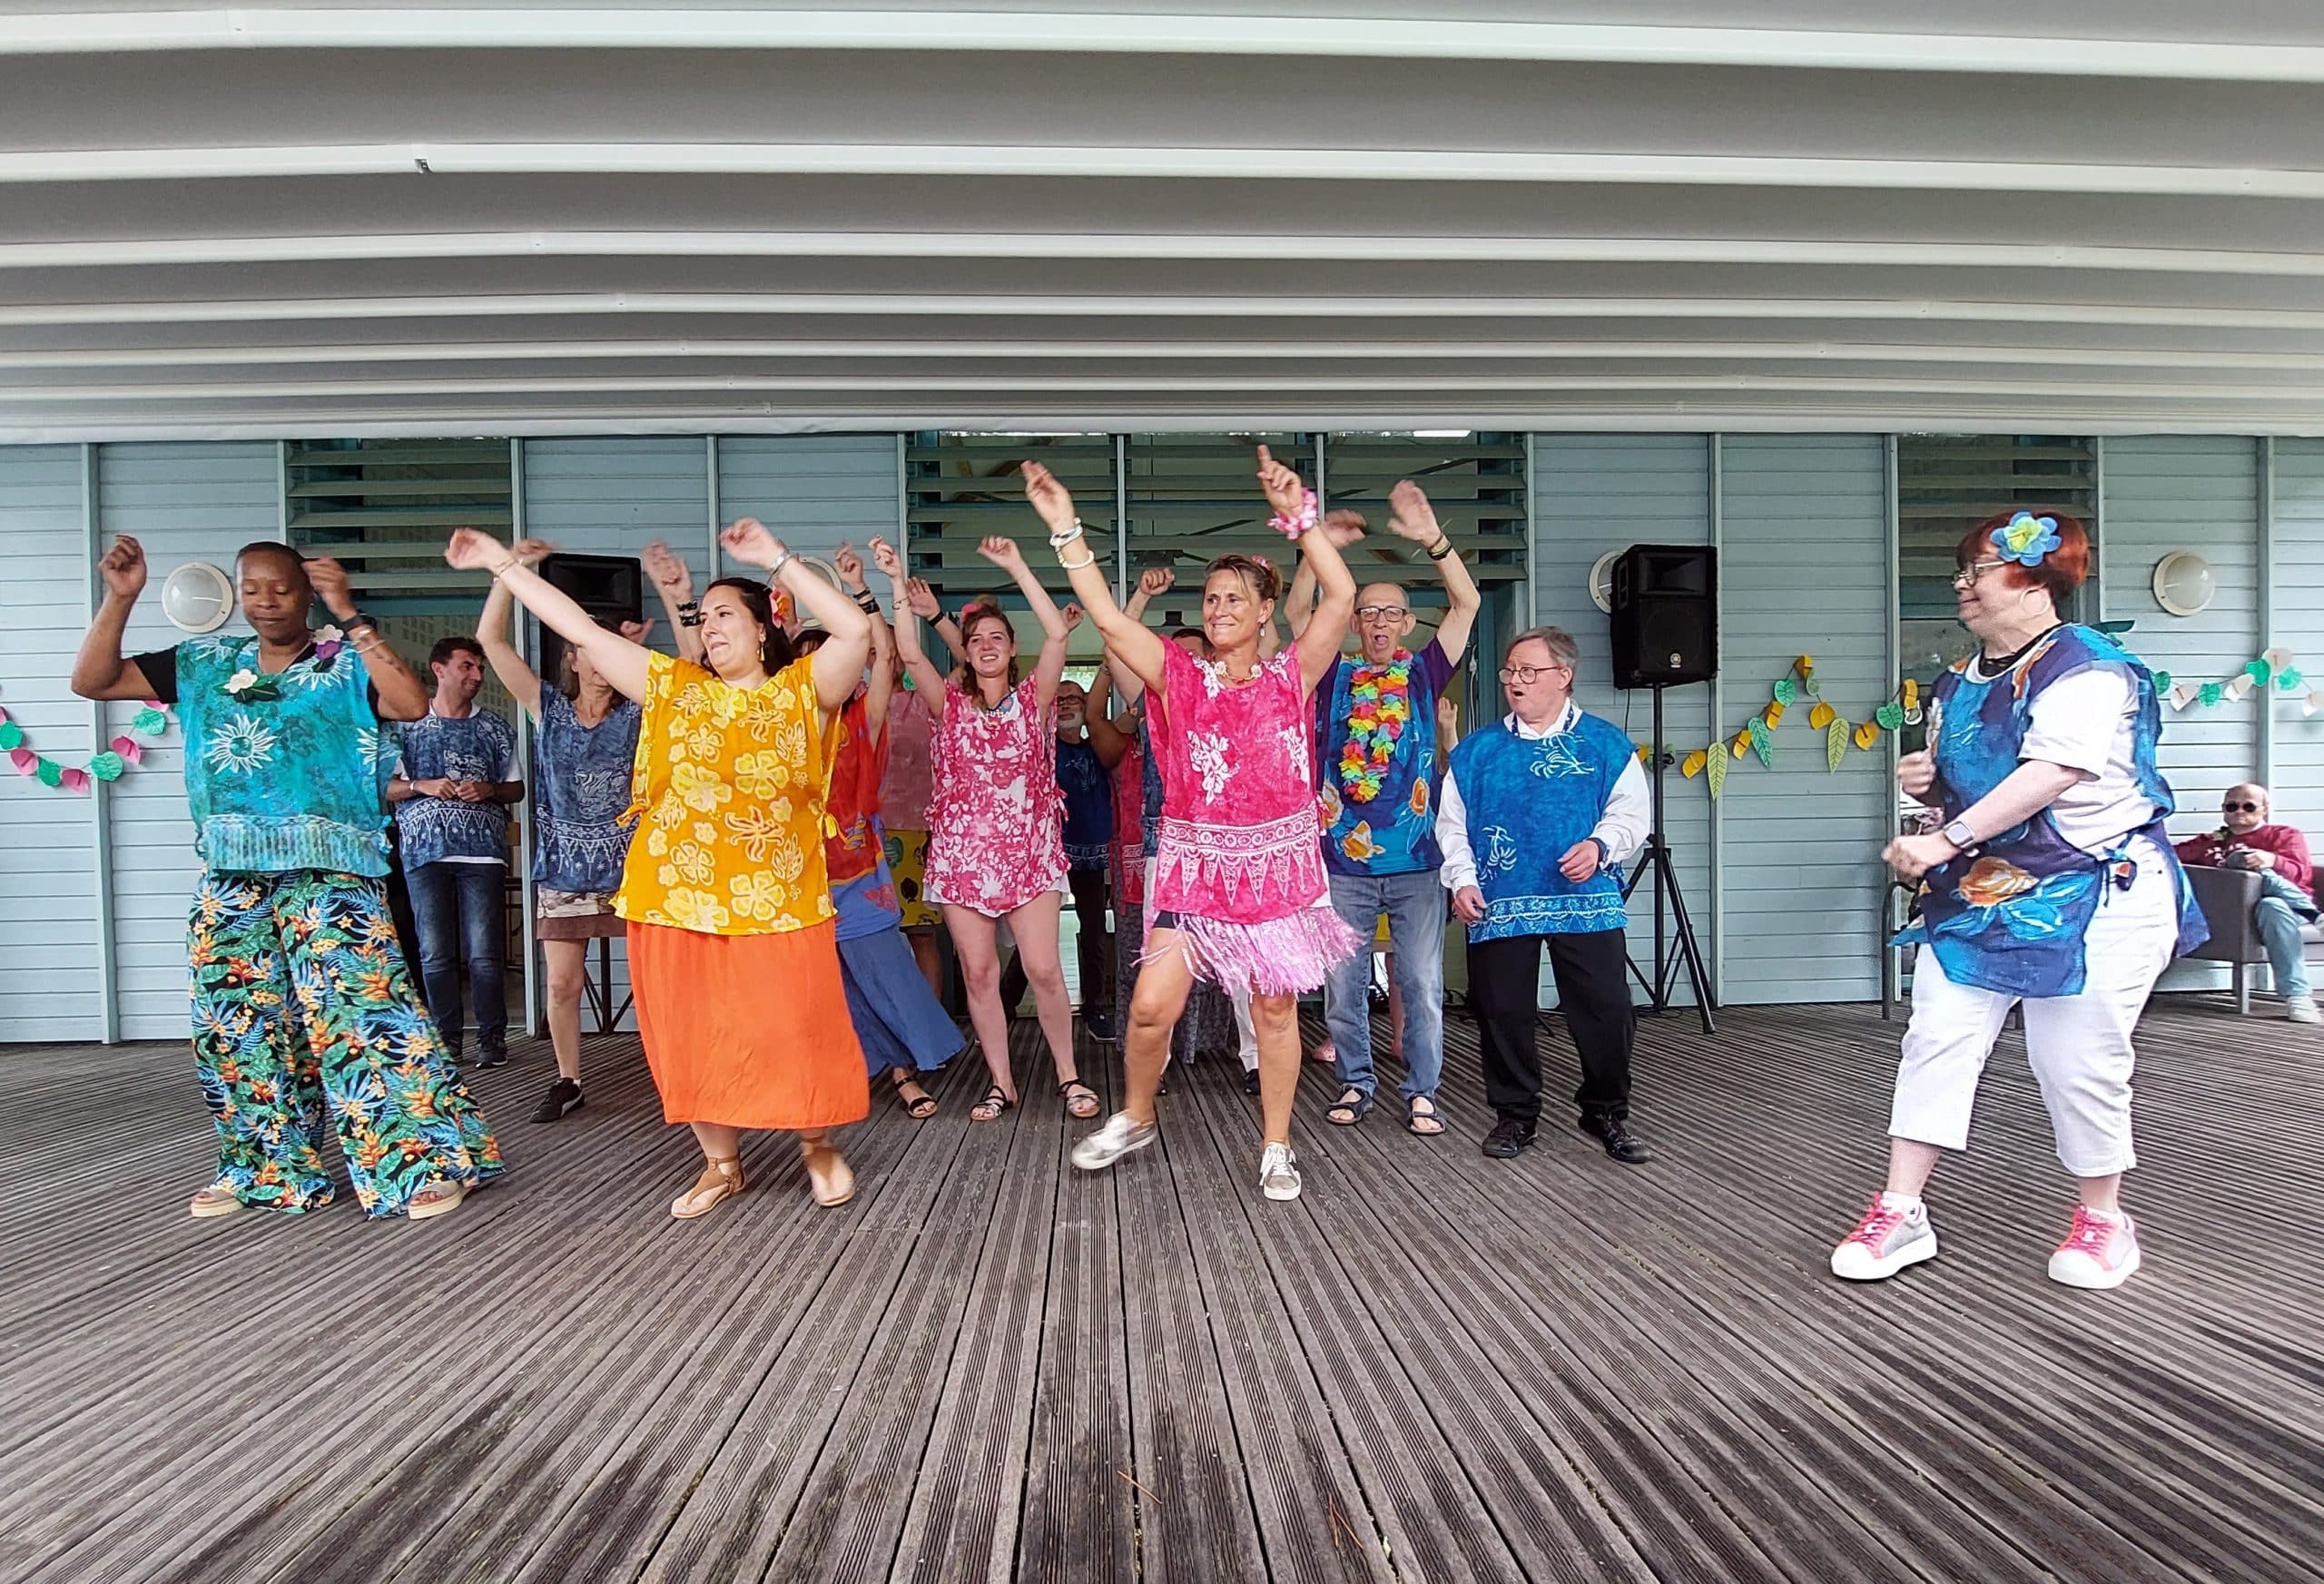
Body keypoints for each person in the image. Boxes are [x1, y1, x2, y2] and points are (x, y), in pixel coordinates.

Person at [447, 518, 875, 1217]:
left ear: (764, 627)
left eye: (725, 614)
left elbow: (854, 632)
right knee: (692, 1030)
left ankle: (817, 1143)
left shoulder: (803, 691)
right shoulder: (677, 688)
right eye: (703, 619)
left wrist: (775, 558)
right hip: (676, 896)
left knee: (794, 1024)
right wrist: (504, 567)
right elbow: (583, 632)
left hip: (782, 898)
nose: (710, 628)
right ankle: (721, 1161)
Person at [71, 536, 498, 1219]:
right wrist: (121, 597)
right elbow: (92, 680)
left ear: (305, 592)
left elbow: (410, 702)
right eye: (252, 588)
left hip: (332, 869)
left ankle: (424, 1164)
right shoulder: (206, 662)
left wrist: (348, 612)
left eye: (282, 588)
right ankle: (262, 1167)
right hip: (232, 870)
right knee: (235, 1024)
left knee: (363, 1015)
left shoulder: (339, 661)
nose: (266, 600)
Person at [1835, 509, 2207, 1291]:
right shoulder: (1955, 683)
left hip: (2099, 888)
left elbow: (2054, 772)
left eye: (1981, 568)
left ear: (2038, 579)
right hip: (1988, 891)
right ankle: (1902, 1209)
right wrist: (1929, 795)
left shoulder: (2089, 667)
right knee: (1937, 1034)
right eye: (1963, 569)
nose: (1963, 583)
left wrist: (1944, 836)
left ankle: (2105, 1219)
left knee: (2074, 1058)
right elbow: (1967, 794)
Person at [1042, 446, 1363, 1203]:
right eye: (1210, 598)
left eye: (1231, 598)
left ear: (1261, 610)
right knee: (1150, 1006)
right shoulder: (1176, 677)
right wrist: (1066, 532)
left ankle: (1277, 1144)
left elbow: (1341, 596)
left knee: (1274, 1007)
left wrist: (1301, 516)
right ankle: (1137, 1115)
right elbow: (1110, 620)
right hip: (1193, 867)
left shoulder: (1294, 676)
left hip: (1277, 869)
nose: (1217, 608)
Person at [885, 535, 1100, 1125]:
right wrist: (897, 580)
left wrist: (1015, 563)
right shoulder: (948, 705)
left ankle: (1068, 1073)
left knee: (1042, 967)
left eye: (996, 639)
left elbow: (1058, 633)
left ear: (1010, 652)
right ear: (966, 652)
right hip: (960, 856)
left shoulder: (1034, 700)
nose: (984, 645)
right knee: (978, 972)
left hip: (1028, 853)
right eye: (975, 639)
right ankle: (1001, 1082)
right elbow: (907, 653)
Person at [1293, 480, 1481, 1137]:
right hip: (1340, 859)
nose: (1377, 622)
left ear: (1405, 623)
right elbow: (1294, 618)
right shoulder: (1330, 676)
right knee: (1342, 987)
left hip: (1417, 862)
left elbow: (1469, 601)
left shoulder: (1424, 673)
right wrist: (1310, 548)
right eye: (1366, 612)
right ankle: (1354, 1081)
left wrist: (1434, 537)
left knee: (1423, 984)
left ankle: (1422, 1089)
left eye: (1389, 613)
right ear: (1352, 622)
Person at [1438, 627, 1653, 1165]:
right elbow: (1452, 824)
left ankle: (1605, 1110)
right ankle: (1515, 1115)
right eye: (1510, 671)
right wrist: (1461, 879)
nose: (1516, 681)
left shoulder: (1605, 743)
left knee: (1606, 1009)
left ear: (1564, 677)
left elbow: (1631, 814)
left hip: (1586, 897)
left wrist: (1602, 845)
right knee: (1503, 1010)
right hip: (1501, 899)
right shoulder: (1477, 752)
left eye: (1528, 671)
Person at [475, 547, 649, 1123]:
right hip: (563, 871)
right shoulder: (546, 707)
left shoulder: (641, 714)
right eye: (589, 651)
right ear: (573, 659)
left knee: (658, 984)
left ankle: (674, 1071)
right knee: (562, 985)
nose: (600, 661)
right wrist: (507, 573)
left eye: (611, 651)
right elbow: (492, 642)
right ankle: (568, 1078)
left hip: (635, 870)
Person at [802, 540, 964, 1117]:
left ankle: (904, 1073)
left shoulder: (865, 716)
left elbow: (889, 660)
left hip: (860, 869)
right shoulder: (782, 724)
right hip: (799, 878)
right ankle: (847, 1073)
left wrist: (866, 592)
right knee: (827, 983)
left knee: (888, 972)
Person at [1101, 576, 1243, 1085]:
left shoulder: (1238, 695)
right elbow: (1116, 647)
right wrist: (1139, 598)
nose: (1184, 665)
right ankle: (1153, 1067)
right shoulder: (1160, 700)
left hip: (1235, 850)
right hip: (1171, 846)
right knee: (1158, 960)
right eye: (1173, 658)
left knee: (1245, 962)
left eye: (1193, 656)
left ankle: (1250, 1058)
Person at [388, 636, 524, 1068]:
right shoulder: (406, 725)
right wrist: (420, 786)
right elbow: (382, 787)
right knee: (435, 953)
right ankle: (446, 1041)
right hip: (424, 851)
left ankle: (492, 1040)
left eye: (480, 668)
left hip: (482, 851)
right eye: (467, 666)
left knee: (484, 953)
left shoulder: (496, 728)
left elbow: (516, 787)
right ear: (439, 669)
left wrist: (488, 790)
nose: (477, 676)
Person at [998, 653, 1123, 1040]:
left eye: (1075, 699)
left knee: (1094, 930)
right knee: (1035, 936)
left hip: (1091, 849)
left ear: (1087, 708)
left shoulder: (1098, 747)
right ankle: (1003, 1008)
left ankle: (1095, 1009)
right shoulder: (1039, 746)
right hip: (1047, 853)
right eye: (1061, 699)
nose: (1067, 705)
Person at [2175, 782, 2319, 1022]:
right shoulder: (2214, 839)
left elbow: (2301, 874)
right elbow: (2171, 856)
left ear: (2264, 809)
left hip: (2286, 907)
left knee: (2272, 905)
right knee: (2241, 860)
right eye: (2232, 806)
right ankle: (2316, 917)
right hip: (2235, 912)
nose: (2240, 811)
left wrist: (2271, 860)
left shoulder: (2283, 835)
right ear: (2224, 810)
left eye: (2249, 806)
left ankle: (2297, 996)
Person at [881, 576, 954, 1000]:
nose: (884, 659)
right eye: (877, 652)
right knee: (879, 937)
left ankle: (933, 1025)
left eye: (892, 651)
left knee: (922, 934)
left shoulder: (921, 701)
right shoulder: (851, 699)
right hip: (864, 833)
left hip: (917, 828)